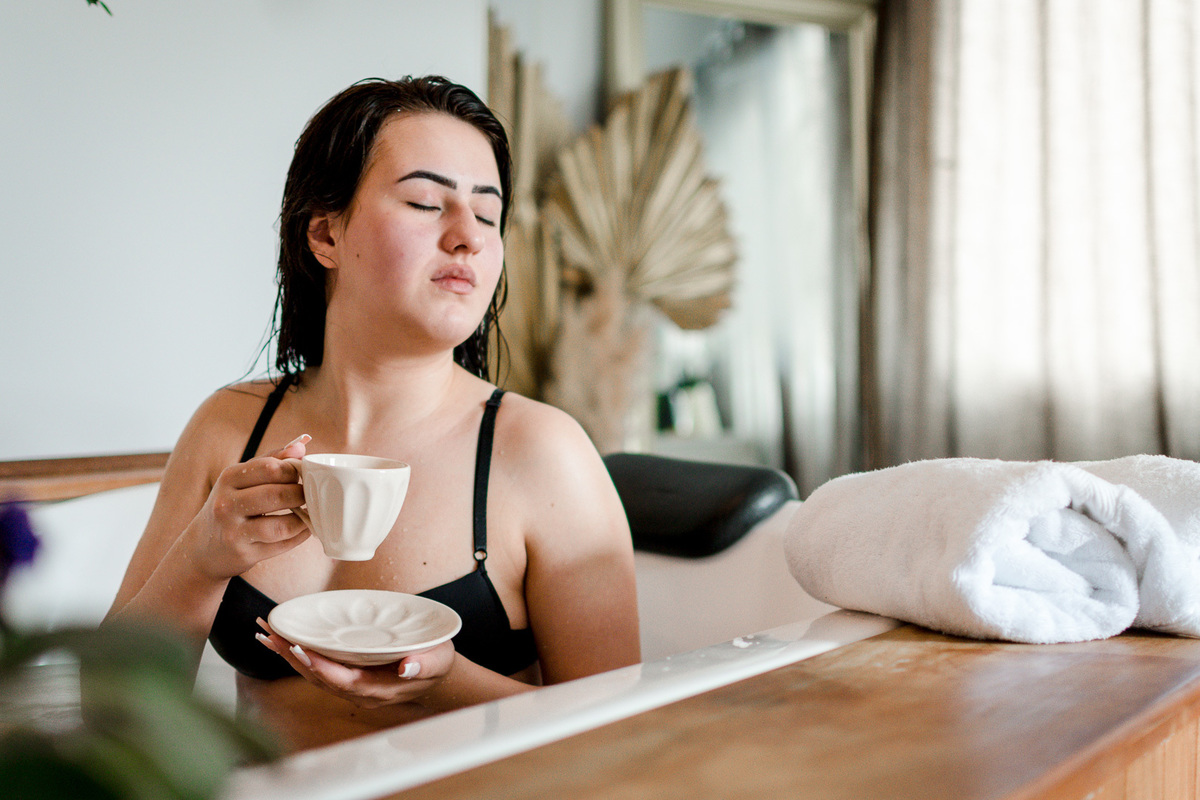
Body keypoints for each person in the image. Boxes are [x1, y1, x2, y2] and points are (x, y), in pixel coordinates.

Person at [105, 76, 641, 752]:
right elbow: (110, 712)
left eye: (487, 214)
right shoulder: (228, 427)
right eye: (425, 201)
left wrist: (444, 681)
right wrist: (201, 559)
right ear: (325, 235)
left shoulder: (542, 452)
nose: (467, 238)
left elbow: (625, 734)